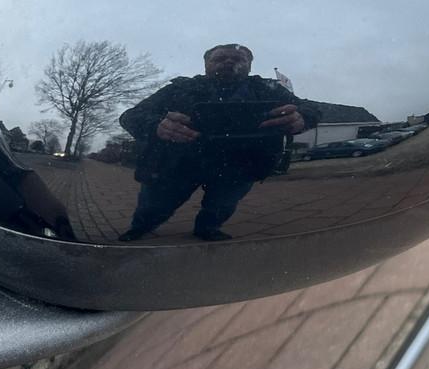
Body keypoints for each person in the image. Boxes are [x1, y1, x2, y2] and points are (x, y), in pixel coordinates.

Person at [117, 44, 320, 241]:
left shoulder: (267, 89)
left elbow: (309, 107)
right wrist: (156, 126)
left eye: (238, 58)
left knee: (222, 206)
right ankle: (139, 228)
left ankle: (207, 229)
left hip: (240, 165)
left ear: (250, 65)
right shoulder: (181, 88)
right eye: (220, 58)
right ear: (206, 64)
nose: (229, 61)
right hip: (178, 163)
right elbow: (131, 115)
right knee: (155, 205)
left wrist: (302, 117)